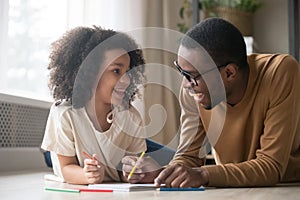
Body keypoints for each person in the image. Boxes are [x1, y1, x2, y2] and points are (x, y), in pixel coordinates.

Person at [122, 17, 300, 187]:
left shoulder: (279, 72)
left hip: (285, 188)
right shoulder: (195, 89)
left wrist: (204, 174)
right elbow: (188, 157)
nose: (185, 85)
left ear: (229, 73)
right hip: (230, 189)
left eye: (191, 76)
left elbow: (271, 166)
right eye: (181, 72)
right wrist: (165, 173)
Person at [41, 26, 147, 185]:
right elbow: (66, 168)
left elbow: (127, 170)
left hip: (114, 146)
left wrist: (131, 173)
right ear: (90, 72)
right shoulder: (65, 114)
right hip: (72, 149)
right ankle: (48, 153)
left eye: (128, 72)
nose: (127, 80)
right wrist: (86, 175)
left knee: (173, 161)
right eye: (117, 71)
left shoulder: (131, 116)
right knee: (53, 157)